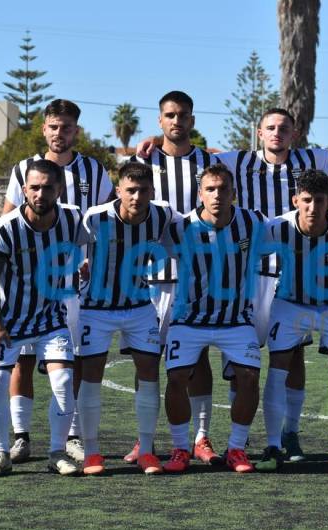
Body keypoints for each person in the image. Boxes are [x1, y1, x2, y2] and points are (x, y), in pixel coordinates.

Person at [138, 107, 328, 462]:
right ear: (259, 133)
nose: (277, 132)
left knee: (282, 361)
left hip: (285, 286)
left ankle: (278, 438)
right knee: (229, 365)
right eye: (270, 127)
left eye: (284, 127)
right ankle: (200, 442)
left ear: (294, 133)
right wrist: (158, 141)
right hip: (247, 283)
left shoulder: (294, 192)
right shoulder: (234, 170)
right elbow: (190, 153)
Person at [2, 99, 113, 464]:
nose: (59, 133)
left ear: (75, 130)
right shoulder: (23, 169)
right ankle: (21, 436)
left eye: (66, 127)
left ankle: (72, 435)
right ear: (44, 129)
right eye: (53, 126)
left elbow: (107, 222)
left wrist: (94, 262)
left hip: (75, 286)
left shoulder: (94, 171)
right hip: (29, 285)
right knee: (22, 361)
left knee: (72, 360)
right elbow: (7, 221)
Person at [124, 90, 222, 466]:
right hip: (149, 278)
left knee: (198, 358)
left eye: (183, 115)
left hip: (196, 277)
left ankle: (200, 437)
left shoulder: (210, 162)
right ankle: (145, 438)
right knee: (146, 360)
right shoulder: (143, 160)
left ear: (192, 120)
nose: (176, 121)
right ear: (160, 120)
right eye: (170, 115)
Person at [0, 159, 83, 477]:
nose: (40, 194)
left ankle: (57, 452)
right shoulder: (5, 228)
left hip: (51, 319)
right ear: (24, 190)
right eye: (34, 188)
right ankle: (1, 454)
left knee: (63, 382)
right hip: (9, 321)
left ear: (59, 190)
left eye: (47, 188)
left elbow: (89, 246)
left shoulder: (73, 219)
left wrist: (83, 264)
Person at [160, 164, 266, 474]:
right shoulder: (180, 228)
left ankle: (236, 448)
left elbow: (290, 228)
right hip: (189, 319)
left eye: (223, 189)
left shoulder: (253, 222)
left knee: (249, 376)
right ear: (200, 194)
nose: (217, 195)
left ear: (234, 193)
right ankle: (181, 448)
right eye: (210, 189)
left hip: (236, 319)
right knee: (177, 378)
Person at [255, 170, 328, 474]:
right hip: (290, 304)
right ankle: (274, 445)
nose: (313, 207)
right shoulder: (277, 228)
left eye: (319, 200)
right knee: (278, 369)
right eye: (306, 200)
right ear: (295, 201)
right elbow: (247, 260)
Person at [75, 162, 176, 475]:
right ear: (118, 190)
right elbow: (70, 247)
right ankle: (92, 452)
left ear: (152, 192)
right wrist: (80, 266)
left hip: (140, 306)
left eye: (143, 190)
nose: (136, 196)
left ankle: (146, 451)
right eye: (130, 190)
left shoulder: (162, 215)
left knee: (149, 372)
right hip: (96, 309)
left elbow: (180, 244)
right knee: (91, 374)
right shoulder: (96, 217)